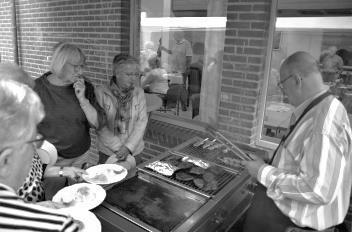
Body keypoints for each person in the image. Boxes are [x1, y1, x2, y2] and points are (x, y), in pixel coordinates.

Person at [241, 51, 352, 232]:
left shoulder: (323, 123)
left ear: (297, 80)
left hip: (295, 226)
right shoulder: (321, 108)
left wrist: (262, 172)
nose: (282, 92)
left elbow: (317, 189)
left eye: (282, 85)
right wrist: (272, 161)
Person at [0, 79, 81, 231]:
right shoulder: (58, 226)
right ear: (5, 159)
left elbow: (38, 172)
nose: (37, 145)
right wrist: (34, 212)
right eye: (33, 139)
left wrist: (64, 171)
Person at [34, 42, 105, 197]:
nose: (81, 71)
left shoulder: (85, 87)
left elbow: (97, 124)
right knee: (55, 201)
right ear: (61, 64)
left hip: (81, 156)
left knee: (79, 199)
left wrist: (83, 100)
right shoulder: (37, 89)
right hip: (52, 161)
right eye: (76, 66)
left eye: (83, 66)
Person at [94, 54, 148, 173]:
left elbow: (142, 121)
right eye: (128, 74)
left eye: (136, 74)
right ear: (116, 74)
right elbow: (100, 125)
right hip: (108, 152)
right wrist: (119, 148)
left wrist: (128, 148)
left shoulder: (139, 92)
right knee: (109, 186)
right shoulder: (100, 93)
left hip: (134, 151)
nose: (133, 78)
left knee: (134, 184)